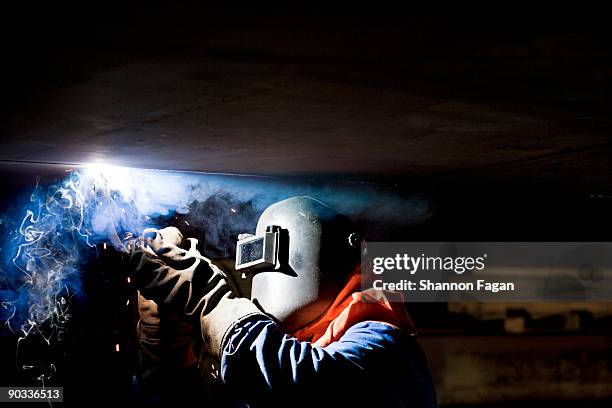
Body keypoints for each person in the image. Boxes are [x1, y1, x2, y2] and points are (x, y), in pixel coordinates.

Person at [129, 196, 437, 407]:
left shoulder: (385, 349)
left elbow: (305, 385)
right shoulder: (290, 344)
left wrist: (209, 300)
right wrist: (166, 359)